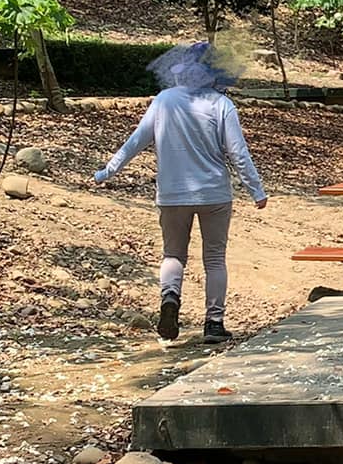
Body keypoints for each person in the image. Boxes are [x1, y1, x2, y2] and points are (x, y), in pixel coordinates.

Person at [91, 42, 267, 341]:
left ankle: (170, 298)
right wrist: (256, 190)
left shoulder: (163, 101)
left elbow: (135, 142)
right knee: (214, 259)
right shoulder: (221, 105)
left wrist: (107, 171)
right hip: (214, 195)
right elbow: (238, 153)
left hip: (172, 194)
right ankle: (213, 323)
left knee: (173, 254)